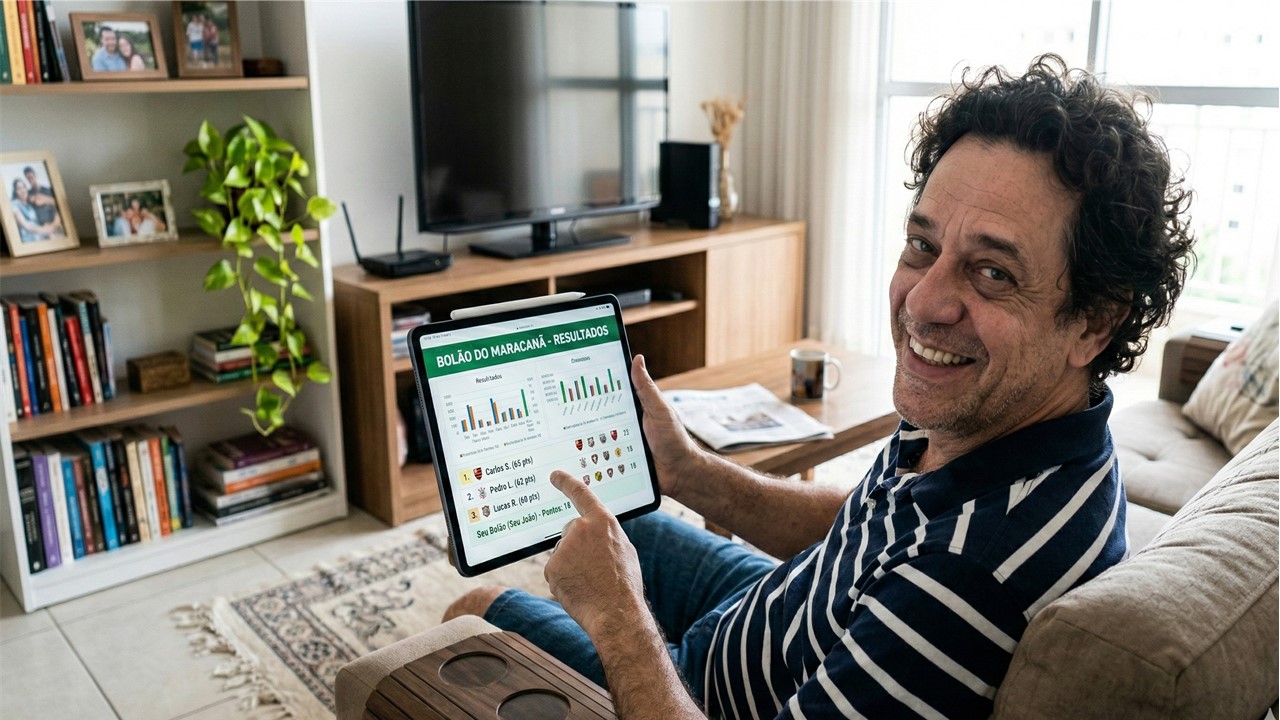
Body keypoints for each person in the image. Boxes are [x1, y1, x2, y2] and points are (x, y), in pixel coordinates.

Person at [443, 54, 1195, 718]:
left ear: (1094, 323)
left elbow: (920, 566)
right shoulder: (999, 420)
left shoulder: (966, 581)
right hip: (778, 608)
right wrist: (690, 473)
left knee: (475, 611)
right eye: (922, 244)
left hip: (709, 693)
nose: (923, 303)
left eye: (993, 271)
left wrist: (618, 622)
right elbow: (870, 526)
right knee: (619, 509)